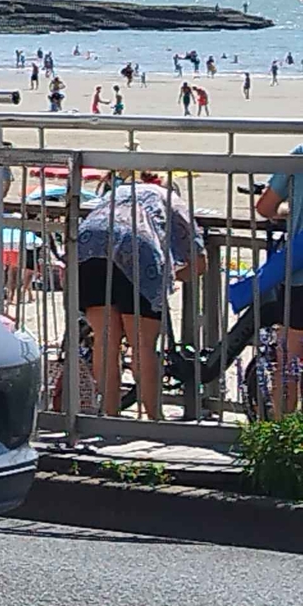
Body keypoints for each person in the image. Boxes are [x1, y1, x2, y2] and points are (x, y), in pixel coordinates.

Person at [77, 173, 203, 421]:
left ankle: (109, 416)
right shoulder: (171, 199)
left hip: (89, 244)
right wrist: (167, 278)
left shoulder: (117, 193)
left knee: (105, 340)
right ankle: (154, 418)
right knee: (143, 345)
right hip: (138, 248)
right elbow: (199, 263)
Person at [255, 148, 303, 413]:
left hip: (300, 270)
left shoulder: (301, 154)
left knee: (289, 360)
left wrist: (289, 211)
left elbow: (264, 207)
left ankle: (286, 437)